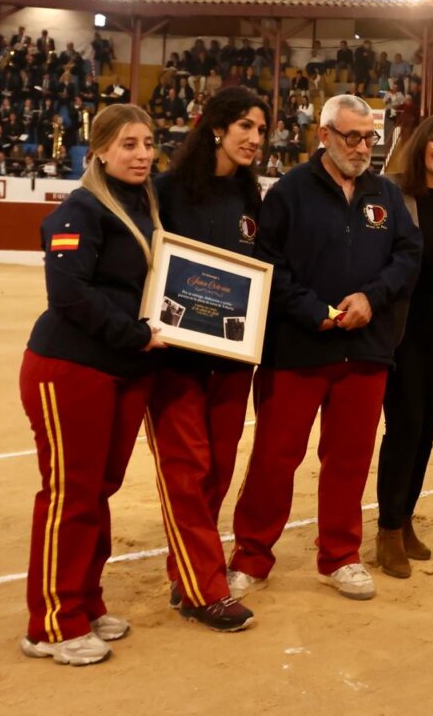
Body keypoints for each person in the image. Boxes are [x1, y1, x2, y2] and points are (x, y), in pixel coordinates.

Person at [227, 95, 421, 603]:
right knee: (275, 457)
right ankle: (251, 555)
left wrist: (370, 299)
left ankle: (340, 555)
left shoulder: (387, 194)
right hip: (296, 349)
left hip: (366, 350)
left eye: (370, 138)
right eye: (351, 136)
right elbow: (269, 265)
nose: (362, 147)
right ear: (324, 135)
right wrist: (315, 309)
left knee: (350, 459)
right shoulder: (289, 192)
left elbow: (407, 257)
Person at [18, 104, 164, 666]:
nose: (142, 154)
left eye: (148, 143)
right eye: (128, 144)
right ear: (99, 150)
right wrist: (134, 336)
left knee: (96, 491)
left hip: (120, 369)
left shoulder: (140, 205)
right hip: (70, 368)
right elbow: (70, 295)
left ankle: (83, 599)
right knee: (69, 495)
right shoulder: (78, 210)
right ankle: (51, 622)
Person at [146, 87, 265, 632]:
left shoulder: (249, 198)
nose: (254, 139)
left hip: (231, 358)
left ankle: (186, 568)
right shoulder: (165, 191)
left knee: (215, 468)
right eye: (244, 126)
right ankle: (203, 587)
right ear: (215, 127)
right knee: (186, 470)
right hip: (175, 360)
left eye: (261, 130)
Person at [374, 114, 433, 579]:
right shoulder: (392, 190)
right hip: (403, 330)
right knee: (405, 427)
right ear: (420, 144)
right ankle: (388, 529)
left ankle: (406, 518)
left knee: (427, 429)